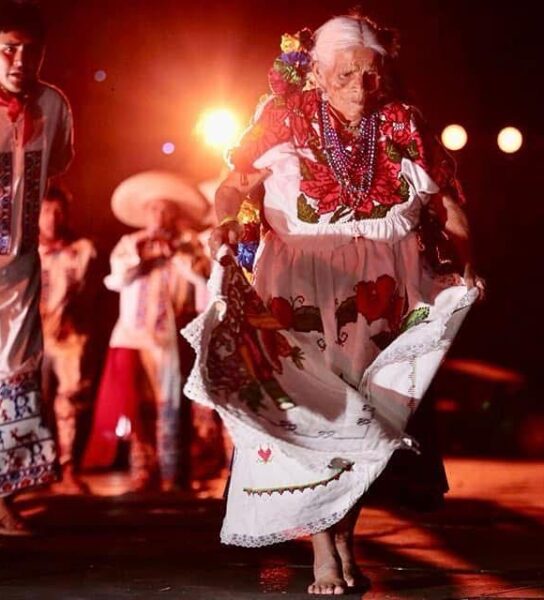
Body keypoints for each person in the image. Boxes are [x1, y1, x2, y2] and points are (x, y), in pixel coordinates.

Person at [183, 15, 484, 594]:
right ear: (316, 73)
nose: (360, 87)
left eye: (371, 76)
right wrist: (224, 223)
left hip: (385, 290)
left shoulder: (402, 123)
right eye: (346, 74)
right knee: (313, 412)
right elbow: (232, 184)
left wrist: (468, 261)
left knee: (367, 419)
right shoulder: (282, 118)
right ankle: (326, 547)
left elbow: (446, 205)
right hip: (300, 282)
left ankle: (343, 535)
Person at [83, 171, 209, 493]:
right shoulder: (130, 243)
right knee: (136, 403)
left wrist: (174, 254)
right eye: (153, 209)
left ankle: (173, 474)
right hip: (132, 336)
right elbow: (117, 278)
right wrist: (143, 255)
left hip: (168, 340)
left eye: (165, 209)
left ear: (175, 213)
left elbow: (202, 278)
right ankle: (143, 470)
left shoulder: (188, 244)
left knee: (171, 404)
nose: (159, 215)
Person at [0, 1, 74, 535]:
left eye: (30, 50)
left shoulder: (54, 103)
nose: (20, 59)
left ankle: (4, 496)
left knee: (15, 373)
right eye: (8, 48)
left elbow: (61, 161)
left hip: (21, 269)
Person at [38, 184, 99, 493]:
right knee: (30, 401)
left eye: (58, 211)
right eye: (47, 211)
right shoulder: (19, 251)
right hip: (29, 338)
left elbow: (87, 294)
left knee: (68, 401)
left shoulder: (82, 249)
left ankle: (67, 468)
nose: (52, 218)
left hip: (67, 337)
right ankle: (29, 472)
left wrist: (70, 318)